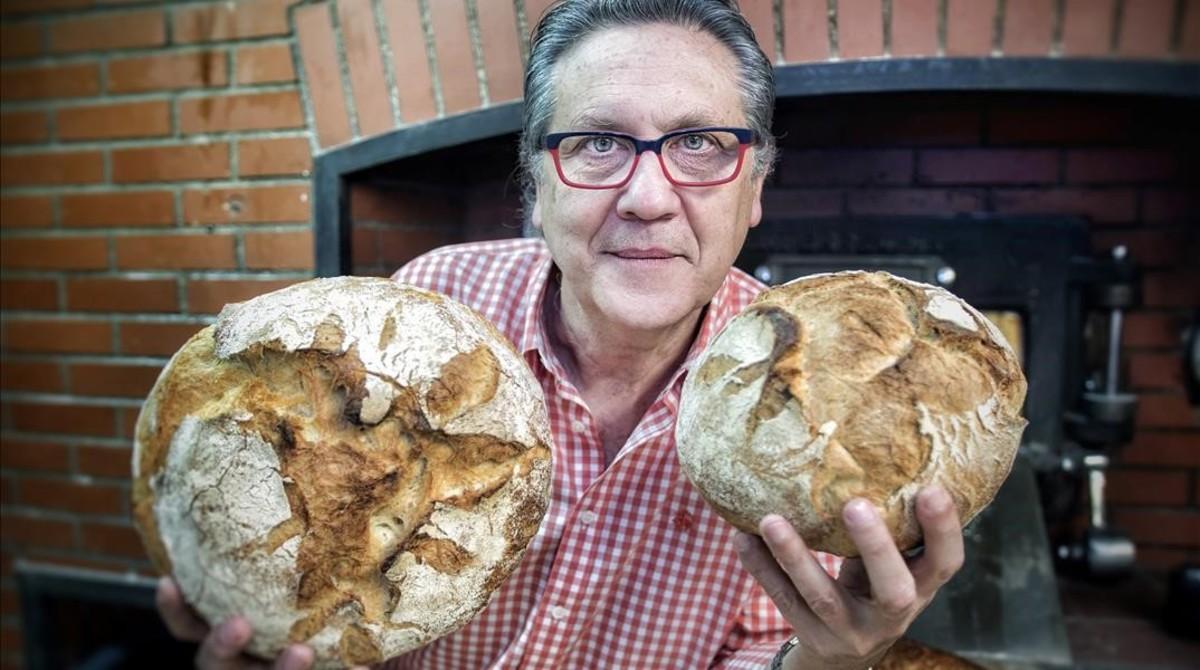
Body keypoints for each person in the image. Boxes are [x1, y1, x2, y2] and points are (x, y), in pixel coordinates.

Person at [155, 1, 965, 668]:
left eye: (699, 143)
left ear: (754, 189)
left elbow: (756, 652)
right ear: (536, 186)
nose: (649, 197)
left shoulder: (818, 412)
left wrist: (824, 662)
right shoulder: (429, 306)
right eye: (597, 143)